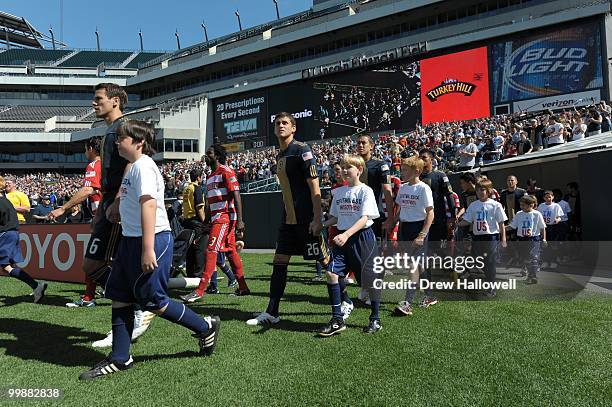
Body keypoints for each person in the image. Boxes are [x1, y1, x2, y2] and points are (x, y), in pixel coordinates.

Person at [79, 120, 220, 380]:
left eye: (122, 138)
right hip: (131, 239)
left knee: (153, 301)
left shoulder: (144, 166)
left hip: (152, 239)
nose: (117, 142)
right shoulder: (133, 167)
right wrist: (114, 208)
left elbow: (149, 206)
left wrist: (147, 249)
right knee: (120, 294)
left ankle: (205, 326)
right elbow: (128, 199)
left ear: (138, 142)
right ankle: (121, 358)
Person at [82, 83, 153, 348]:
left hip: (118, 201)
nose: (94, 103)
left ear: (115, 101)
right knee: (101, 264)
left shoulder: (123, 129)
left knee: (95, 264)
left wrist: (119, 200)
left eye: (98, 98)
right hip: (111, 201)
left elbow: (132, 164)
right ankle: (135, 309)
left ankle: (138, 308)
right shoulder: (110, 131)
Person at [246, 112, 329, 326]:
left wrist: (317, 218)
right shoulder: (279, 156)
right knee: (279, 263)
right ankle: (272, 311)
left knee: (326, 262)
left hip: (306, 219)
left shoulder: (302, 150)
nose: (280, 126)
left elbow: (315, 187)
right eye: (277, 123)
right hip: (288, 221)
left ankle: (344, 302)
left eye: (285, 123)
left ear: (294, 128)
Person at [318, 154, 381, 336]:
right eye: (343, 167)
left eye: (349, 168)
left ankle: (375, 319)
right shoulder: (338, 192)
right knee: (331, 273)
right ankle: (337, 319)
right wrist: (321, 225)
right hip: (343, 238)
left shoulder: (365, 191)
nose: (344, 171)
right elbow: (336, 217)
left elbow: (365, 218)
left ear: (359, 170)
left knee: (368, 281)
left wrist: (346, 234)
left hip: (362, 238)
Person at [181, 144, 250, 302]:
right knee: (231, 252)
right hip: (216, 218)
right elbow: (209, 204)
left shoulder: (226, 171)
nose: (206, 156)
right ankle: (243, 287)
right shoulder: (210, 176)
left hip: (225, 217)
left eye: (209, 153)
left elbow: (236, 196)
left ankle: (199, 291)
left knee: (211, 250)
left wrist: (240, 220)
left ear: (217, 156)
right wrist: (206, 223)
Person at [48, 137, 102, 308]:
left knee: (91, 259)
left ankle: (89, 298)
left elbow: (88, 190)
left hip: (105, 219)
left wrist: (63, 208)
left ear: (92, 148)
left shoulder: (94, 165)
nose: (84, 152)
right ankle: (93, 295)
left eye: (86, 148)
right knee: (104, 260)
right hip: (109, 217)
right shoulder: (107, 165)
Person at [389, 156, 435, 316]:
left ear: (416, 171)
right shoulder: (403, 187)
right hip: (404, 229)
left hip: (418, 228)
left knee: (412, 266)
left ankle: (407, 303)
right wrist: (392, 222)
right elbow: (400, 208)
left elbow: (430, 214)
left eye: (404, 170)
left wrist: (422, 234)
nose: (401, 173)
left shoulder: (423, 188)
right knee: (418, 266)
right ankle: (430, 295)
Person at [0, 175, 48, 303]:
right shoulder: (6, 200)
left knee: (6, 266)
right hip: (12, 233)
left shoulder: (4, 200)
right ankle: (36, 286)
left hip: (5, 234)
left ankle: (36, 285)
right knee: (6, 267)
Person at [459, 178, 507, 297]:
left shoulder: (495, 205)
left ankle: (491, 288)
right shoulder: (473, 205)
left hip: (491, 237)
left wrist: (503, 239)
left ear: (489, 190)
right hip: (477, 237)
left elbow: (501, 223)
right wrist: (456, 223)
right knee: (477, 261)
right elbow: (467, 220)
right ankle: (476, 278)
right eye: (478, 190)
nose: (480, 192)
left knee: (489, 263)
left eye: (483, 190)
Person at [506, 195, 546, 284]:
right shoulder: (519, 214)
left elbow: (542, 227)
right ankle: (530, 275)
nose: (521, 207)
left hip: (534, 239)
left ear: (531, 205)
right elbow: (512, 226)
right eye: (521, 205)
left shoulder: (537, 214)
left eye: (523, 205)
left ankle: (533, 276)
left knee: (533, 257)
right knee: (525, 258)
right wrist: (501, 228)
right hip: (521, 239)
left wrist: (544, 239)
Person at [537, 190, 564, 270]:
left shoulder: (556, 206)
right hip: (544, 228)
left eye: (549, 197)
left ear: (552, 197)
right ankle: (545, 261)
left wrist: (557, 220)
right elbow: (538, 216)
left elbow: (559, 217)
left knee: (554, 245)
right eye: (546, 197)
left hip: (553, 227)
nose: (548, 198)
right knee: (545, 245)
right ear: (543, 198)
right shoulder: (541, 206)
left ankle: (554, 261)